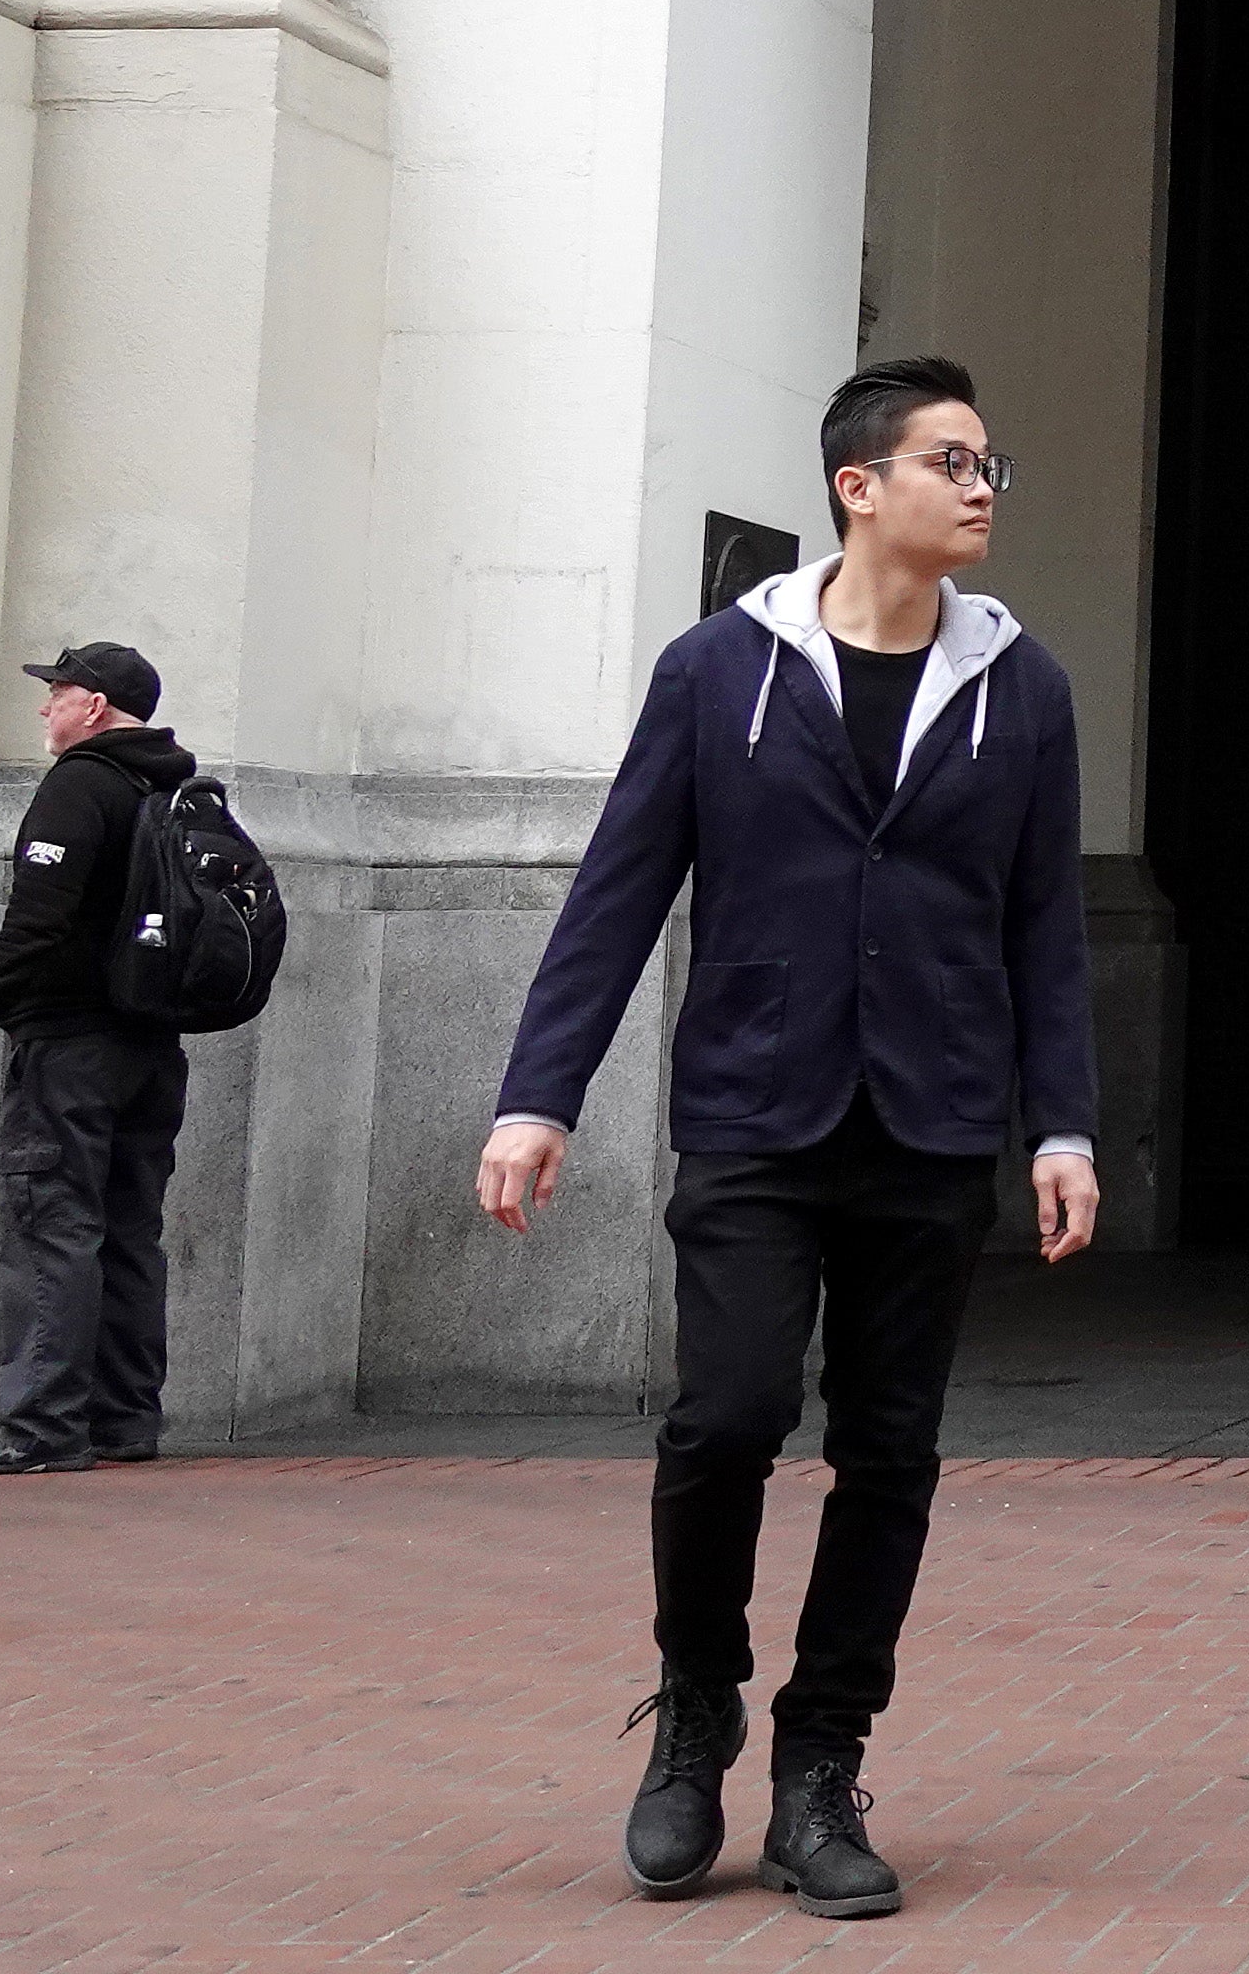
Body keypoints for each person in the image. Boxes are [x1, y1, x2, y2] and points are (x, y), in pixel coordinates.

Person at [480, 355, 1100, 1920]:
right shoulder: (718, 670)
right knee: (730, 1415)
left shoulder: (1023, 686)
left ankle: (823, 1764)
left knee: (889, 1451)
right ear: (857, 486)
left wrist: (1063, 1126)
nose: (981, 487)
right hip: (758, 1108)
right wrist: (539, 1094)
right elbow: (621, 885)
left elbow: (1046, 924)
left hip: (932, 1120)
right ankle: (697, 1713)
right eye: (952, 461)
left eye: (988, 463)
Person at [0, 644, 205, 1474]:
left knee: (51, 1224)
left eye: (57, 692)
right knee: (130, 1231)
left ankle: (42, 1429)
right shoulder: (173, 787)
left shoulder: (81, 783)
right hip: (152, 1045)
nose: (44, 708)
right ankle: (126, 1420)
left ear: (93, 706)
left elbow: (38, 916)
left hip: (70, 1044)